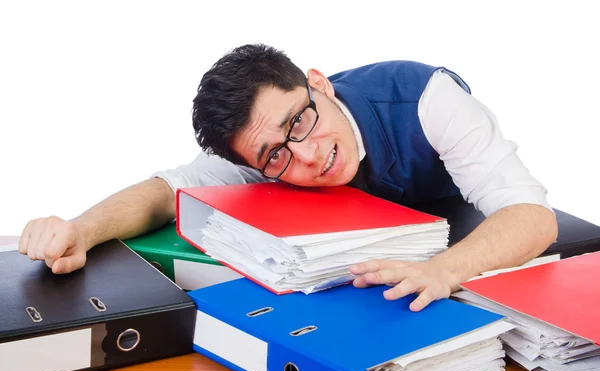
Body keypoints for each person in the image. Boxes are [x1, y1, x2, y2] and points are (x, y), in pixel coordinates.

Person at [18, 44, 557, 311]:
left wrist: (442, 271)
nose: (306, 156)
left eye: (300, 120)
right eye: (275, 156)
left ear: (317, 82)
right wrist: (79, 229)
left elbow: (531, 216)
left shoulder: (428, 98)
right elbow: (165, 191)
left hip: (455, 239)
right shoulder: (256, 151)